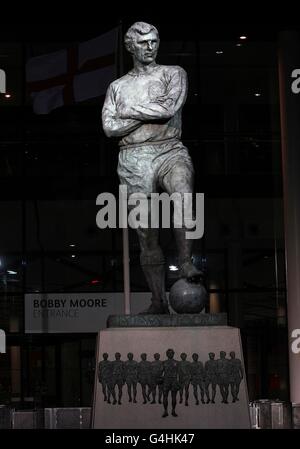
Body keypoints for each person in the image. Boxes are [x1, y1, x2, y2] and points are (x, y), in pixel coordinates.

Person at [102, 21, 202, 314]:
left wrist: (130, 112)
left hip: (170, 149)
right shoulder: (117, 87)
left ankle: (185, 261)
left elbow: (169, 109)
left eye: (154, 41)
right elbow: (109, 127)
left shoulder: (173, 74)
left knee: (183, 195)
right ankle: (158, 300)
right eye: (143, 42)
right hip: (133, 157)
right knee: (146, 232)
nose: (150, 47)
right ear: (130, 46)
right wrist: (150, 113)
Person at [161, 348, 180, 417]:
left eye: (171, 353)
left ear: (173, 354)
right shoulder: (163, 362)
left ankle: (173, 410)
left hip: (174, 381)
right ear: (166, 354)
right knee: (165, 396)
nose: (170, 354)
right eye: (168, 353)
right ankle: (165, 411)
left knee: (174, 397)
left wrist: (179, 382)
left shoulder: (177, 362)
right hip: (166, 381)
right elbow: (160, 372)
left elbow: (180, 373)